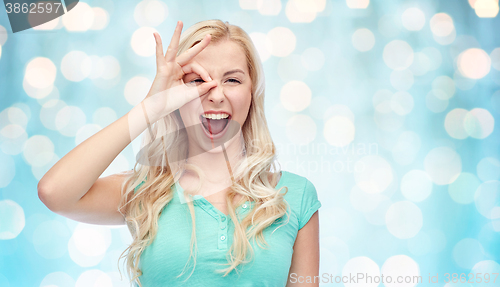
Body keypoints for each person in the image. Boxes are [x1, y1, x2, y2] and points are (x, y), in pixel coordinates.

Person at [38, 19, 321, 287]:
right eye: (198, 80)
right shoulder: (145, 193)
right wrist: (150, 107)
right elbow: (54, 192)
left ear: (251, 93)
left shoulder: (294, 195)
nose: (216, 94)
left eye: (232, 80)